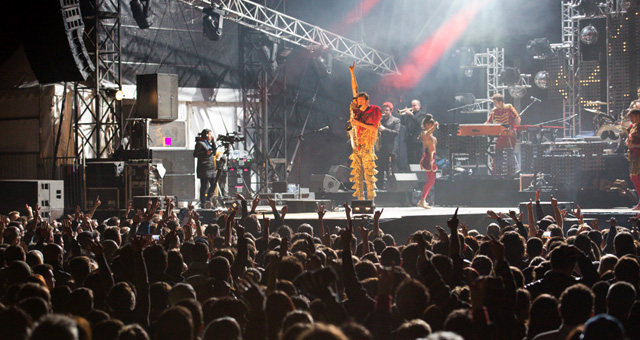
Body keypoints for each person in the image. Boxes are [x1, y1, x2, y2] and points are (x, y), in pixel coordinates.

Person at [348, 62, 382, 200]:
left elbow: (374, 127)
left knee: (369, 173)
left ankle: (370, 200)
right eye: (358, 101)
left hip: (368, 145)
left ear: (367, 101)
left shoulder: (375, 110)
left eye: (362, 100)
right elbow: (355, 91)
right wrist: (352, 75)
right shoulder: (357, 111)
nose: (359, 102)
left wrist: (359, 123)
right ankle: (360, 200)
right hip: (357, 144)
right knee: (357, 174)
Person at [486, 93, 521, 176]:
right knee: (498, 151)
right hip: (501, 135)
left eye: (495, 102)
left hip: (510, 134)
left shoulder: (509, 107)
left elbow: (518, 118)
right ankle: (496, 172)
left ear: (501, 102)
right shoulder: (494, 111)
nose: (494, 104)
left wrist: (515, 129)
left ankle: (511, 172)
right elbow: (488, 122)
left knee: (510, 153)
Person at [377, 102, 401, 189]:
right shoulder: (381, 120)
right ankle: (380, 186)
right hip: (381, 147)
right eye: (384, 110)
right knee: (380, 168)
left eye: (387, 110)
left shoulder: (396, 120)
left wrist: (384, 129)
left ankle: (393, 187)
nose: (385, 112)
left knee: (391, 168)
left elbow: (396, 133)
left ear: (391, 110)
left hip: (391, 148)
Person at [418, 115, 438, 209]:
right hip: (428, 157)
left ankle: (423, 200)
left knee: (431, 180)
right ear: (427, 124)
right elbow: (427, 135)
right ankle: (422, 200)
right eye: (431, 124)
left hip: (432, 157)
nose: (432, 126)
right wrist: (434, 127)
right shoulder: (424, 133)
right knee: (430, 180)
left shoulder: (431, 135)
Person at [193, 129, 217, 207]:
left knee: (213, 184)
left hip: (211, 167)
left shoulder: (208, 143)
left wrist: (213, 143)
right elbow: (195, 154)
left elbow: (214, 152)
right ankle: (203, 202)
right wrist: (205, 153)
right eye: (209, 135)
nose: (210, 136)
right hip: (204, 168)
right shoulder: (200, 143)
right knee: (204, 186)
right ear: (206, 135)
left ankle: (208, 199)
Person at [399, 99, 427, 165]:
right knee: (410, 157)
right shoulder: (409, 115)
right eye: (412, 105)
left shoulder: (423, 114)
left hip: (418, 139)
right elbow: (403, 123)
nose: (412, 107)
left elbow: (419, 123)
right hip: (409, 139)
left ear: (419, 106)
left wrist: (411, 115)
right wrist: (403, 115)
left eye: (414, 105)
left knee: (418, 157)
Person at [625, 109, 640, 209]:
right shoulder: (631, 127)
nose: (631, 119)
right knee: (634, 177)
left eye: (632, 116)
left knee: (636, 177)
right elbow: (628, 139)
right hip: (634, 155)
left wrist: (634, 145)